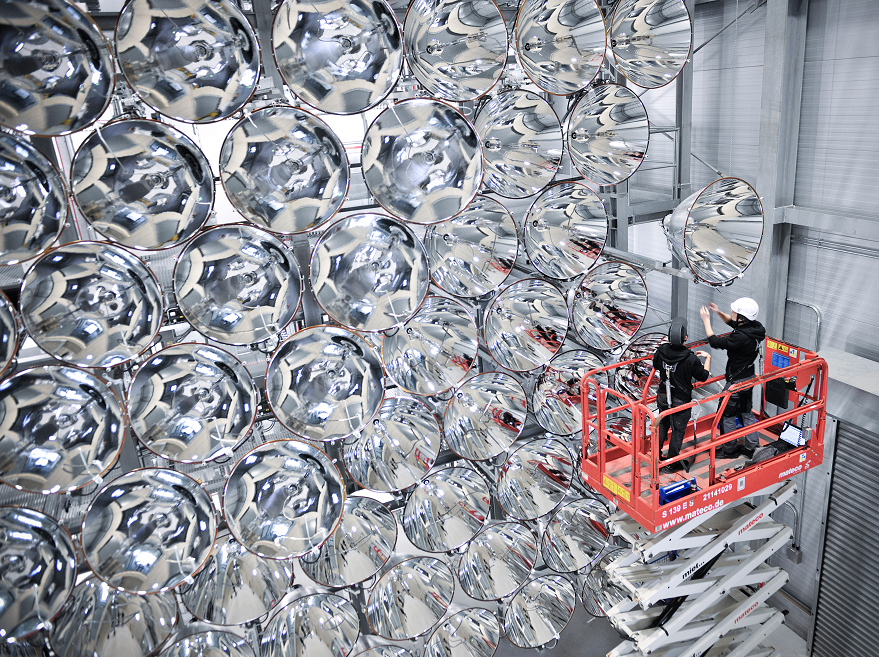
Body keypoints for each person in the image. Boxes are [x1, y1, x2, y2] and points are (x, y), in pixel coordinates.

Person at [700, 297, 767, 458]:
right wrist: (718, 312)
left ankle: (729, 450)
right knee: (746, 411)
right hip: (749, 377)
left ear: (743, 317)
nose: (731, 312)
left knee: (727, 415)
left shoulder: (740, 338)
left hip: (736, 382)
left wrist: (706, 320)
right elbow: (734, 323)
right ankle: (752, 446)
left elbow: (715, 342)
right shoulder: (756, 328)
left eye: (735, 312)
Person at [653, 317, 712, 473]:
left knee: (663, 425)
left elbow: (655, 365)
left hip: (663, 396)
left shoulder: (660, 352)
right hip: (680, 399)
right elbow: (703, 376)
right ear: (685, 338)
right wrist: (708, 358)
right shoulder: (690, 359)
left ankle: (656, 457)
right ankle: (671, 463)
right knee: (677, 430)